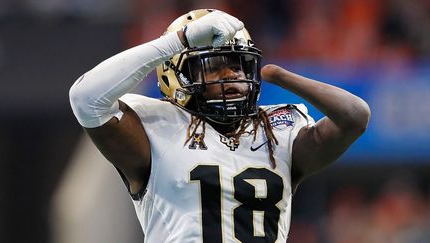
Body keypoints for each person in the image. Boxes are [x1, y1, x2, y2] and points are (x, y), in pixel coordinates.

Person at [69, 9, 370, 243]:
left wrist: (283, 76)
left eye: (238, 64)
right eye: (213, 66)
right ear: (177, 76)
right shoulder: (155, 125)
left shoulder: (276, 129)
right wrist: (176, 42)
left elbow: (354, 116)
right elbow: (85, 98)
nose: (232, 75)